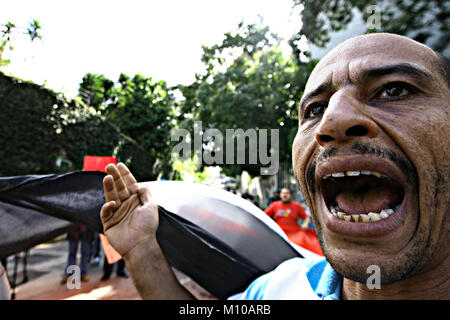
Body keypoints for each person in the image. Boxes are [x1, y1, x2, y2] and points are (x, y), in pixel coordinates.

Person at [99, 33, 449, 299]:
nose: (332, 121)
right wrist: (142, 250)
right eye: (314, 110)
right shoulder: (277, 288)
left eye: (393, 91)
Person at [264, 188, 323, 256]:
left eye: (287, 193)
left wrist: (305, 224)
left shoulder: (296, 205)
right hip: (279, 232)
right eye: (283, 193)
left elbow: (306, 218)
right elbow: (264, 215)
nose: (285, 195)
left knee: (311, 242)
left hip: (295, 232)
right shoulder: (274, 205)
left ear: (290, 195)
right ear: (280, 195)